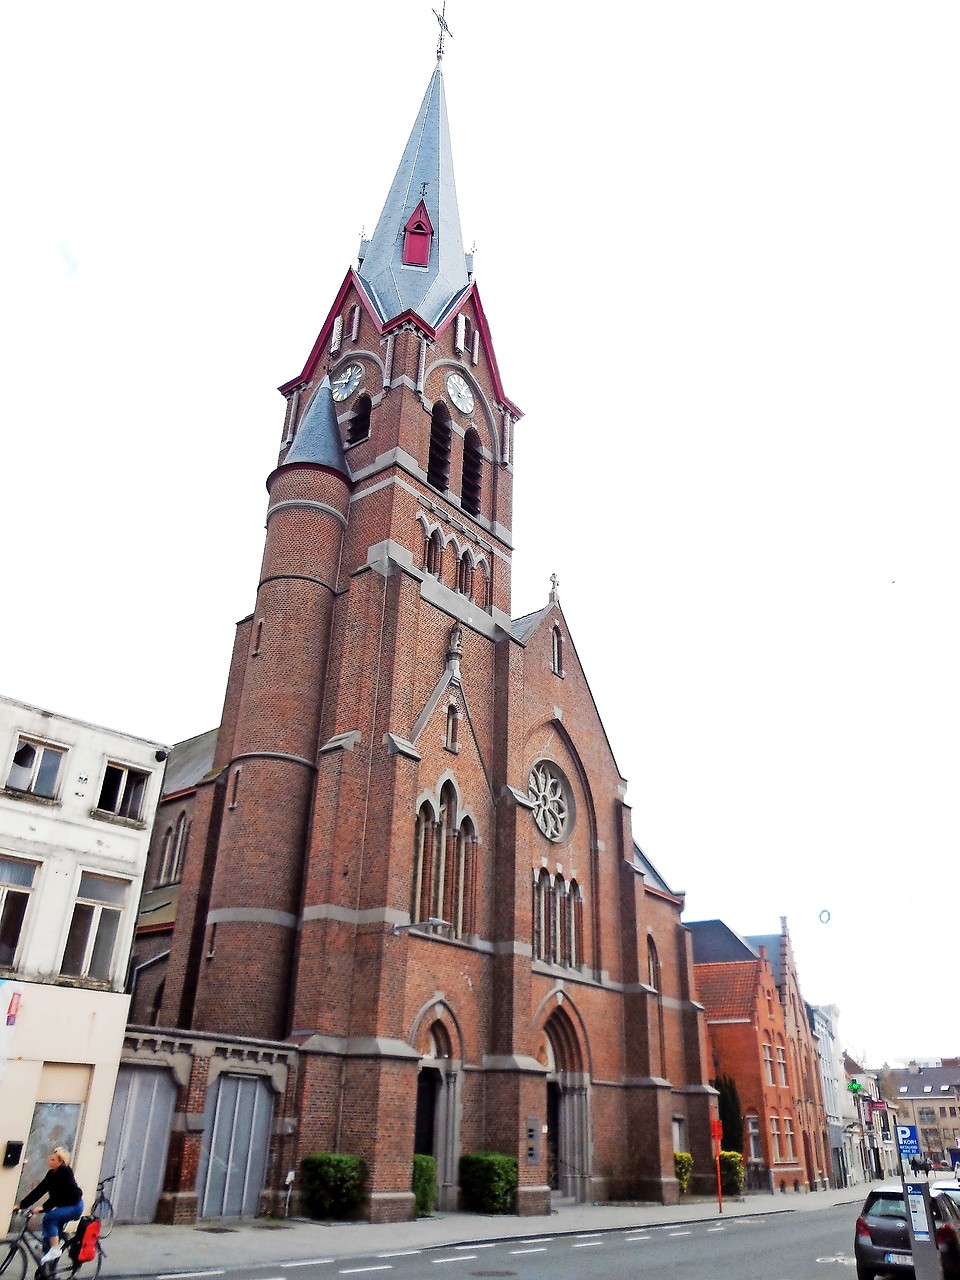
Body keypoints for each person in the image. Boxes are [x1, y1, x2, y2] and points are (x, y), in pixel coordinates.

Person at [17, 1148, 84, 1266]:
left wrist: (43, 1207)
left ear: (60, 1162)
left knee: (49, 1218)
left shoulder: (65, 1173)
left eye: (53, 1160)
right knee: (48, 1233)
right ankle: (48, 1269)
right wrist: (22, 1205)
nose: (49, 1162)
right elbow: (39, 1190)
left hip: (74, 1206)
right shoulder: (52, 1173)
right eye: (50, 1159)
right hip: (64, 1205)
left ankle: (55, 1250)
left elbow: (59, 1195)